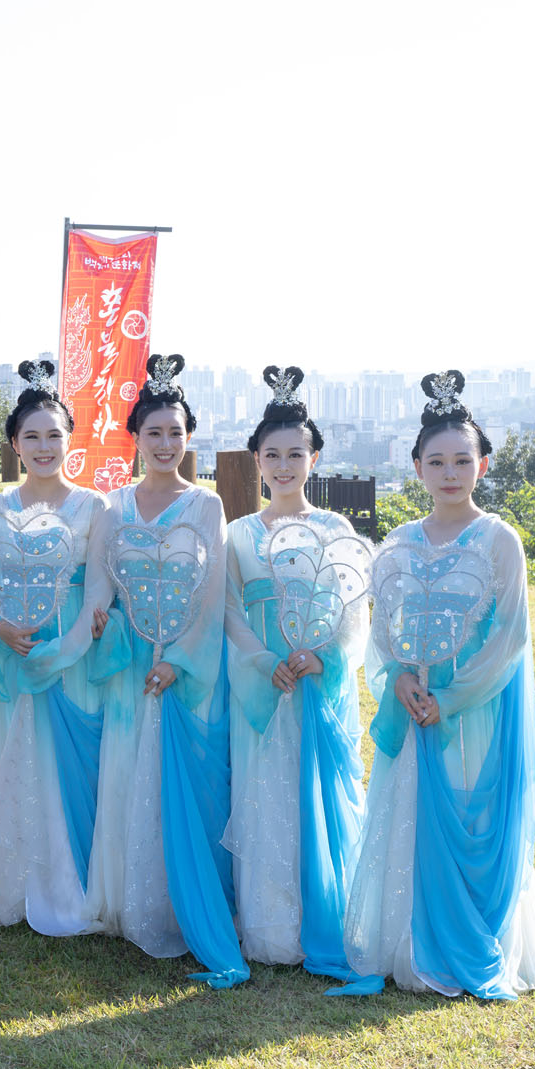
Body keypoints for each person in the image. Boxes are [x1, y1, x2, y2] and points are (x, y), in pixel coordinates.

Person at [336, 371, 535, 999]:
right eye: (437, 462)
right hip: (413, 707)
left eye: (463, 460)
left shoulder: (498, 540)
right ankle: (408, 943)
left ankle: (471, 940)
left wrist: (451, 698)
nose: (450, 473)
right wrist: (400, 681)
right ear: (417, 467)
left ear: (483, 465)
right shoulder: (398, 543)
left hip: (473, 711)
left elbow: (509, 638)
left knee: (470, 813)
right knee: (408, 818)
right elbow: (382, 631)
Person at [81, 353, 245, 986]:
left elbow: (213, 595)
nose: (166, 443)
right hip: (131, 668)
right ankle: (129, 900)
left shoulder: (205, 507)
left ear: (189, 436)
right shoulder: (112, 507)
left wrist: (179, 659)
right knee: (128, 773)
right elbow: (100, 585)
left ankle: (181, 904)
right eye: (154, 432)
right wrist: (100, 621)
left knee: (189, 784)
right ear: (135, 437)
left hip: (186, 670)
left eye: (176, 432)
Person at [220, 365, 370, 980]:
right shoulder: (237, 535)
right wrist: (263, 661)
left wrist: (324, 657)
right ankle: (270, 927)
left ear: (314, 459)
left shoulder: (336, 530)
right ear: (256, 459)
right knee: (263, 797)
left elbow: (355, 613)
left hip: (316, 687)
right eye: (272, 454)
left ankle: (327, 918)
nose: (284, 466)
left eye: (295, 454)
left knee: (317, 796)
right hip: (262, 687)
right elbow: (229, 612)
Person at [0, 362, 115, 936]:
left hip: (74, 653)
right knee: (26, 763)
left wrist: (68, 647)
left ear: (70, 440)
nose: (44, 447)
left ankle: (80, 892)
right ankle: (31, 889)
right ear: (15, 444)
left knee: (80, 768)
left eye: (54, 435)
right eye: (32, 436)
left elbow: (99, 586)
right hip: (18, 653)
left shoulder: (94, 507)